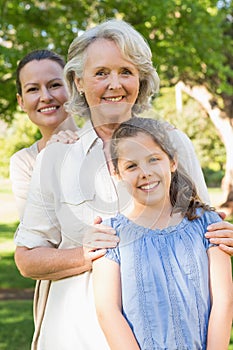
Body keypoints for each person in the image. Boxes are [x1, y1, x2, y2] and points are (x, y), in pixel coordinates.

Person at [13, 20, 233, 350]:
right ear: (78, 81)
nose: (115, 84)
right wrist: (89, 253)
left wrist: (223, 234)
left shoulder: (173, 142)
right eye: (101, 72)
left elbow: (203, 227)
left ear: (140, 79)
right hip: (78, 338)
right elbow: (26, 259)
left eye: (126, 72)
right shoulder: (56, 157)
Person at [93, 117, 233, 350]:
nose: (145, 172)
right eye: (131, 166)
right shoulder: (110, 236)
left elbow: (224, 301)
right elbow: (107, 311)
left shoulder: (207, 225)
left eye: (153, 159)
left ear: (172, 162)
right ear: (116, 174)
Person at [10, 49, 79, 220]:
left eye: (55, 85)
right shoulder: (24, 162)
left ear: (73, 88)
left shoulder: (100, 140)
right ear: (22, 102)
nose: (45, 97)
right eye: (33, 89)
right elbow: (34, 234)